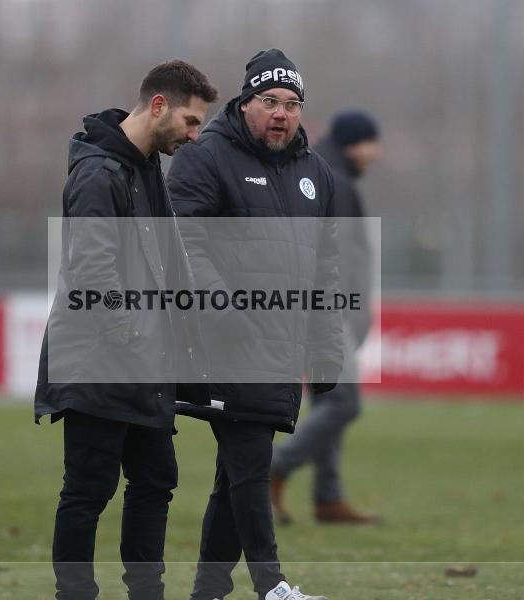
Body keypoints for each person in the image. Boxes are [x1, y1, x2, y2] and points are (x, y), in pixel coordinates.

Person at [34, 60, 217, 600]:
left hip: (142, 365)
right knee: (88, 492)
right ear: (158, 105)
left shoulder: (143, 170)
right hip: (99, 363)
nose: (193, 134)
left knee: (156, 481)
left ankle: (146, 593)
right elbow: (93, 273)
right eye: (189, 121)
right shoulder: (98, 173)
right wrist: (134, 337)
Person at [167, 49, 344, 600]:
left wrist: (327, 345)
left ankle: (209, 591)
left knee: (235, 474)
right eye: (269, 101)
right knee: (249, 462)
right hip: (224, 344)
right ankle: (273, 586)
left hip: (281, 348)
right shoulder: (205, 156)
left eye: (292, 104)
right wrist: (221, 311)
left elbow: (326, 267)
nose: (281, 113)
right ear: (246, 103)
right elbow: (181, 240)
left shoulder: (316, 174)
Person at [270, 110, 384, 526]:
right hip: (328, 310)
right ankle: (275, 467)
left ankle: (328, 496)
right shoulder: (335, 179)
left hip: (313, 305)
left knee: (327, 398)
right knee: (344, 402)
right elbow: (347, 258)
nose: (377, 152)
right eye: (373, 142)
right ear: (355, 142)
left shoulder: (313, 171)